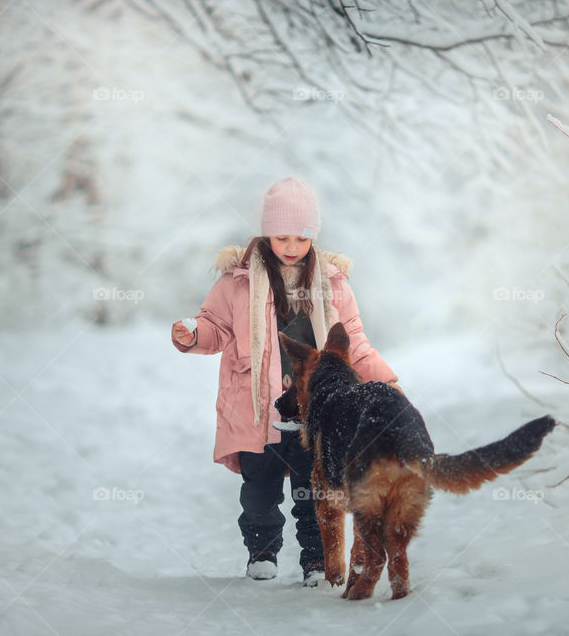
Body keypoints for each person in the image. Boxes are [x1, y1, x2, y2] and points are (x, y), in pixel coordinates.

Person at [170, 177, 399, 586]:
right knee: (259, 489)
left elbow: (356, 345)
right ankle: (261, 552)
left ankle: (316, 560)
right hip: (255, 404)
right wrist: (193, 334)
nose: (291, 246)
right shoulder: (237, 280)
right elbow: (215, 326)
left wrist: (388, 382)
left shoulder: (333, 285)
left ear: (313, 236)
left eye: (301, 237)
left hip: (313, 409)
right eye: (281, 237)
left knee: (315, 491)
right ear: (266, 234)